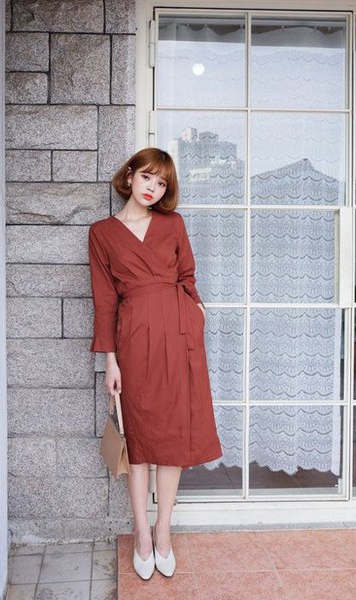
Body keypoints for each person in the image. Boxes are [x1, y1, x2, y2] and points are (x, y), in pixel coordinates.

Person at [88, 148, 222, 580]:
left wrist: (196, 313)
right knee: (139, 439)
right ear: (129, 176)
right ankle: (142, 533)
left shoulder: (173, 224)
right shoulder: (102, 233)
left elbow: (187, 277)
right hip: (134, 340)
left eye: (162, 183)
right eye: (147, 177)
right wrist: (111, 360)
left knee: (172, 438)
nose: (153, 188)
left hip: (180, 338)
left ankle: (163, 530)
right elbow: (105, 300)